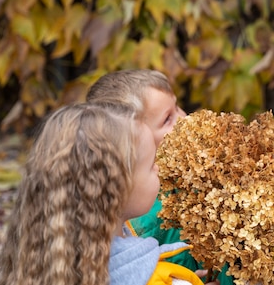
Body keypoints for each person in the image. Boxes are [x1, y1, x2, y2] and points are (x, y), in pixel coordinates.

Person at [0, 102, 212, 285]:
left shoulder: (41, 263)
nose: (159, 168)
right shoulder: (162, 281)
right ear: (118, 191)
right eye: (152, 163)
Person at [86, 69, 231, 284]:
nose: (184, 119)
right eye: (167, 119)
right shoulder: (138, 219)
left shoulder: (201, 172)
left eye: (178, 107)